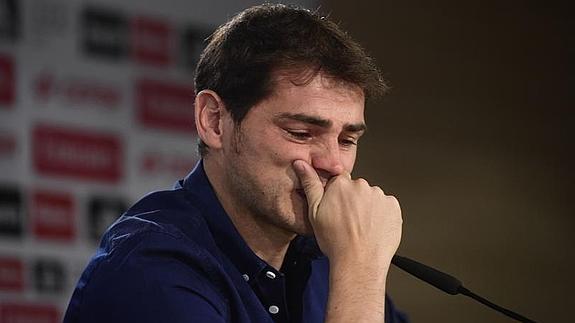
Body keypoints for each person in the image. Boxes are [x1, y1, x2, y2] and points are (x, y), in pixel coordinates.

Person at [64, 4, 407, 323]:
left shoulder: (325, 257)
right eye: (301, 133)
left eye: (347, 140)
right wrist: (360, 276)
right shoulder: (147, 271)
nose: (334, 164)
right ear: (214, 121)